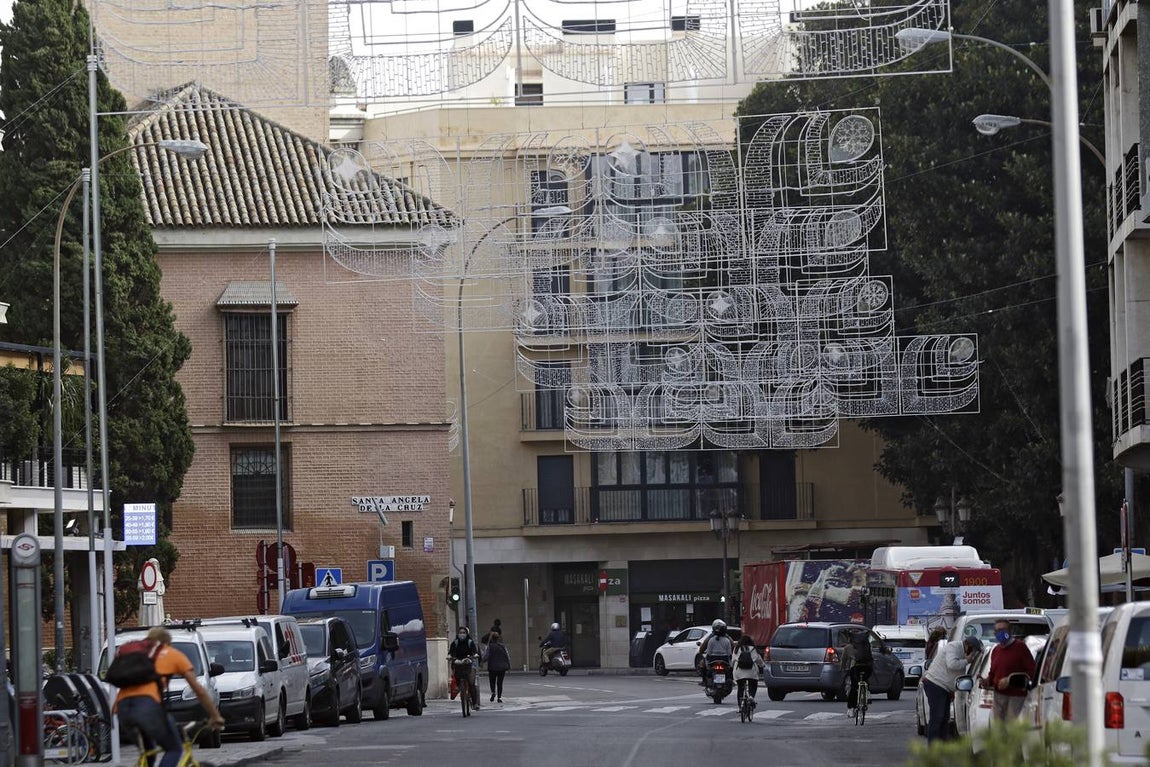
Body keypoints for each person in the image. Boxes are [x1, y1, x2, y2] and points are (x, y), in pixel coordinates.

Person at [114, 627, 224, 767]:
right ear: (167, 642)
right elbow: (199, 690)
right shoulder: (172, 654)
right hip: (148, 707)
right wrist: (215, 716)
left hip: (122, 709)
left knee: (149, 752)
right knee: (174, 748)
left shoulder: (132, 654)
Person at [921, 635, 982, 743]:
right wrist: (966, 661)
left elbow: (956, 674)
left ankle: (941, 744)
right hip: (936, 684)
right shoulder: (953, 647)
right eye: (973, 651)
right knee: (937, 717)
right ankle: (933, 746)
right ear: (968, 645)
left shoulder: (962, 653)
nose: (972, 654)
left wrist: (953, 690)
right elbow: (952, 664)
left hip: (945, 688)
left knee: (945, 718)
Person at [982, 619, 1036, 721]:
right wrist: (986, 681)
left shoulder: (1020, 647)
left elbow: (1032, 671)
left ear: (1010, 631)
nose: (1000, 633)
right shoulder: (996, 650)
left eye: (1003, 630)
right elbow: (993, 674)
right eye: (997, 631)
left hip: (1016, 697)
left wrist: (1010, 680)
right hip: (999, 697)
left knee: (1012, 726)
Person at [841, 630, 874, 714]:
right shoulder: (866, 646)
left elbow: (844, 660)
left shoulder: (848, 647)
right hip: (867, 667)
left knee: (854, 687)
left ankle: (851, 708)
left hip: (855, 668)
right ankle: (867, 694)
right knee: (865, 680)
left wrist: (843, 669)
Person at [448, 626, 481, 709]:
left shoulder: (470, 642)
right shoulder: (455, 643)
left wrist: (474, 655)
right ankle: (459, 687)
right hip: (458, 663)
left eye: (464, 633)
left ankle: (475, 703)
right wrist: (450, 656)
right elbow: (451, 652)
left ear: (467, 634)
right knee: (457, 675)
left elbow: (474, 651)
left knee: (471, 682)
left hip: (468, 663)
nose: (462, 634)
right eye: (460, 633)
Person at [698, 619, 734, 685]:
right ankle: (730, 680)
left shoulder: (710, 639)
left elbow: (707, 652)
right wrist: (730, 664)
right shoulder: (727, 639)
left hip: (712, 659)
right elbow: (730, 652)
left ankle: (704, 680)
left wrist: (707, 664)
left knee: (702, 663)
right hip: (725, 659)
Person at [732, 634, 765, 707]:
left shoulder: (737, 648)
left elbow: (733, 661)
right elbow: (759, 660)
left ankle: (740, 706)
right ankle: (751, 696)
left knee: (740, 688)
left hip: (739, 672)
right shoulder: (753, 649)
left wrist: (731, 666)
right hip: (751, 672)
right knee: (753, 684)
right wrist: (762, 665)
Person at [485, 631, 511, 703]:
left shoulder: (490, 646)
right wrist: (509, 666)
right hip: (502, 667)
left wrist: (481, 662)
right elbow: (507, 656)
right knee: (500, 683)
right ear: (498, 638)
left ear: (492, 638)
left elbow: (486, 656)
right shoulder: (503, 646)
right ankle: (499, 697)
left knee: (492, 681)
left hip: (492, 667)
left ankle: (493, 692)